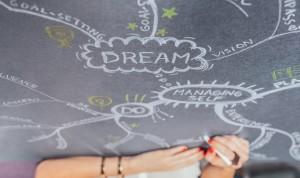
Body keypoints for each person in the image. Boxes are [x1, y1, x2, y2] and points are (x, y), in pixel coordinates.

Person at [35, 135, 249, 178]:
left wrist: (134, 164)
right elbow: (220, 172)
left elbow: (47, 173)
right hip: (191, 133)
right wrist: (226, 163)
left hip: (94, 134)